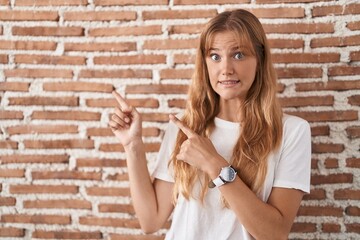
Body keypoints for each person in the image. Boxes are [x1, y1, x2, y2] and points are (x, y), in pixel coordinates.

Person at [109, 9, 311, 240]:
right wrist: (133, 145)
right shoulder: (184, 126)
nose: (225, 69)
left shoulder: (292, 131)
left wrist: (214, 165)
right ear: (204, 63)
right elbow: (150, 220)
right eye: (215, 56)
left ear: (260, 59)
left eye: (238, 55)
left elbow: (275, 233)